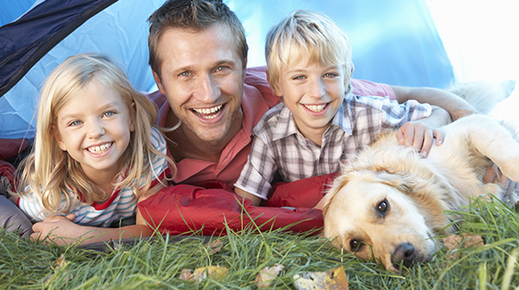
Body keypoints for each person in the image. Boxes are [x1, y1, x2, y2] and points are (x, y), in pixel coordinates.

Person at [146, 0, 477, 191]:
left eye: (221, 68)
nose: (208, 93)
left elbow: (412, 94)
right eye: (185, 74)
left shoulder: (295, 93)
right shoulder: (133, 130)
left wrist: (471, 135)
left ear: (244, 65)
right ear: (159, 81)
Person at [233, 10, 452, 206]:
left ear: (347, 77)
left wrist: (426, 124)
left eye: (330, 75)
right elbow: (246, 201)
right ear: (276, 84)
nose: (317, 92)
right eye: (299, 77)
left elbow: (438, 112)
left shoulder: (369, 114)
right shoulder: (270, 133)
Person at [9, 53, 174, 245]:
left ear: (131, 116)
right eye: (76, 122)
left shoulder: (149, 150)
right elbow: (25, 214)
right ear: (59, 137)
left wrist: (79, 236)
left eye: (108, 113)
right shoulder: (48, 195)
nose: (95, 132)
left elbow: (151, 230)